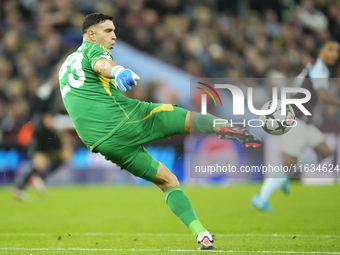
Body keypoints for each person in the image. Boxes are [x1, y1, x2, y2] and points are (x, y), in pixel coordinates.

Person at [59, 13, 262, 250]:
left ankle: (202, 235)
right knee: (191, 119)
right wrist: (118, 71)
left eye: (114, 31)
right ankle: (237, 131)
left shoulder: (64, 67)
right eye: (108, 31)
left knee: (168, 180)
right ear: (91, 35)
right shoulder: (93, 50)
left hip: (101, 143)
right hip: (125, 121)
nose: (114, 36)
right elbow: (102, 64)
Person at [251, 39, 340, 211]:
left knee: (324, 151)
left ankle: (285, 177)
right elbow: (321, 94)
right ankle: (261, 197)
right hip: (297, 122)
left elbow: (292, 87)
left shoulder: (310, 69)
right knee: (287, 164)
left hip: (304, 123)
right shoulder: (319, 69)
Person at [13, 74, 73, 201]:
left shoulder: (54, 90)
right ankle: (24, 185)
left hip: (47, 129)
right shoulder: (46, 90)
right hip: (44, 130)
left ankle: (28, 183)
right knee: (45, 159)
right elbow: (41, 105)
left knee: (55, 157)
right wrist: (47, 118)